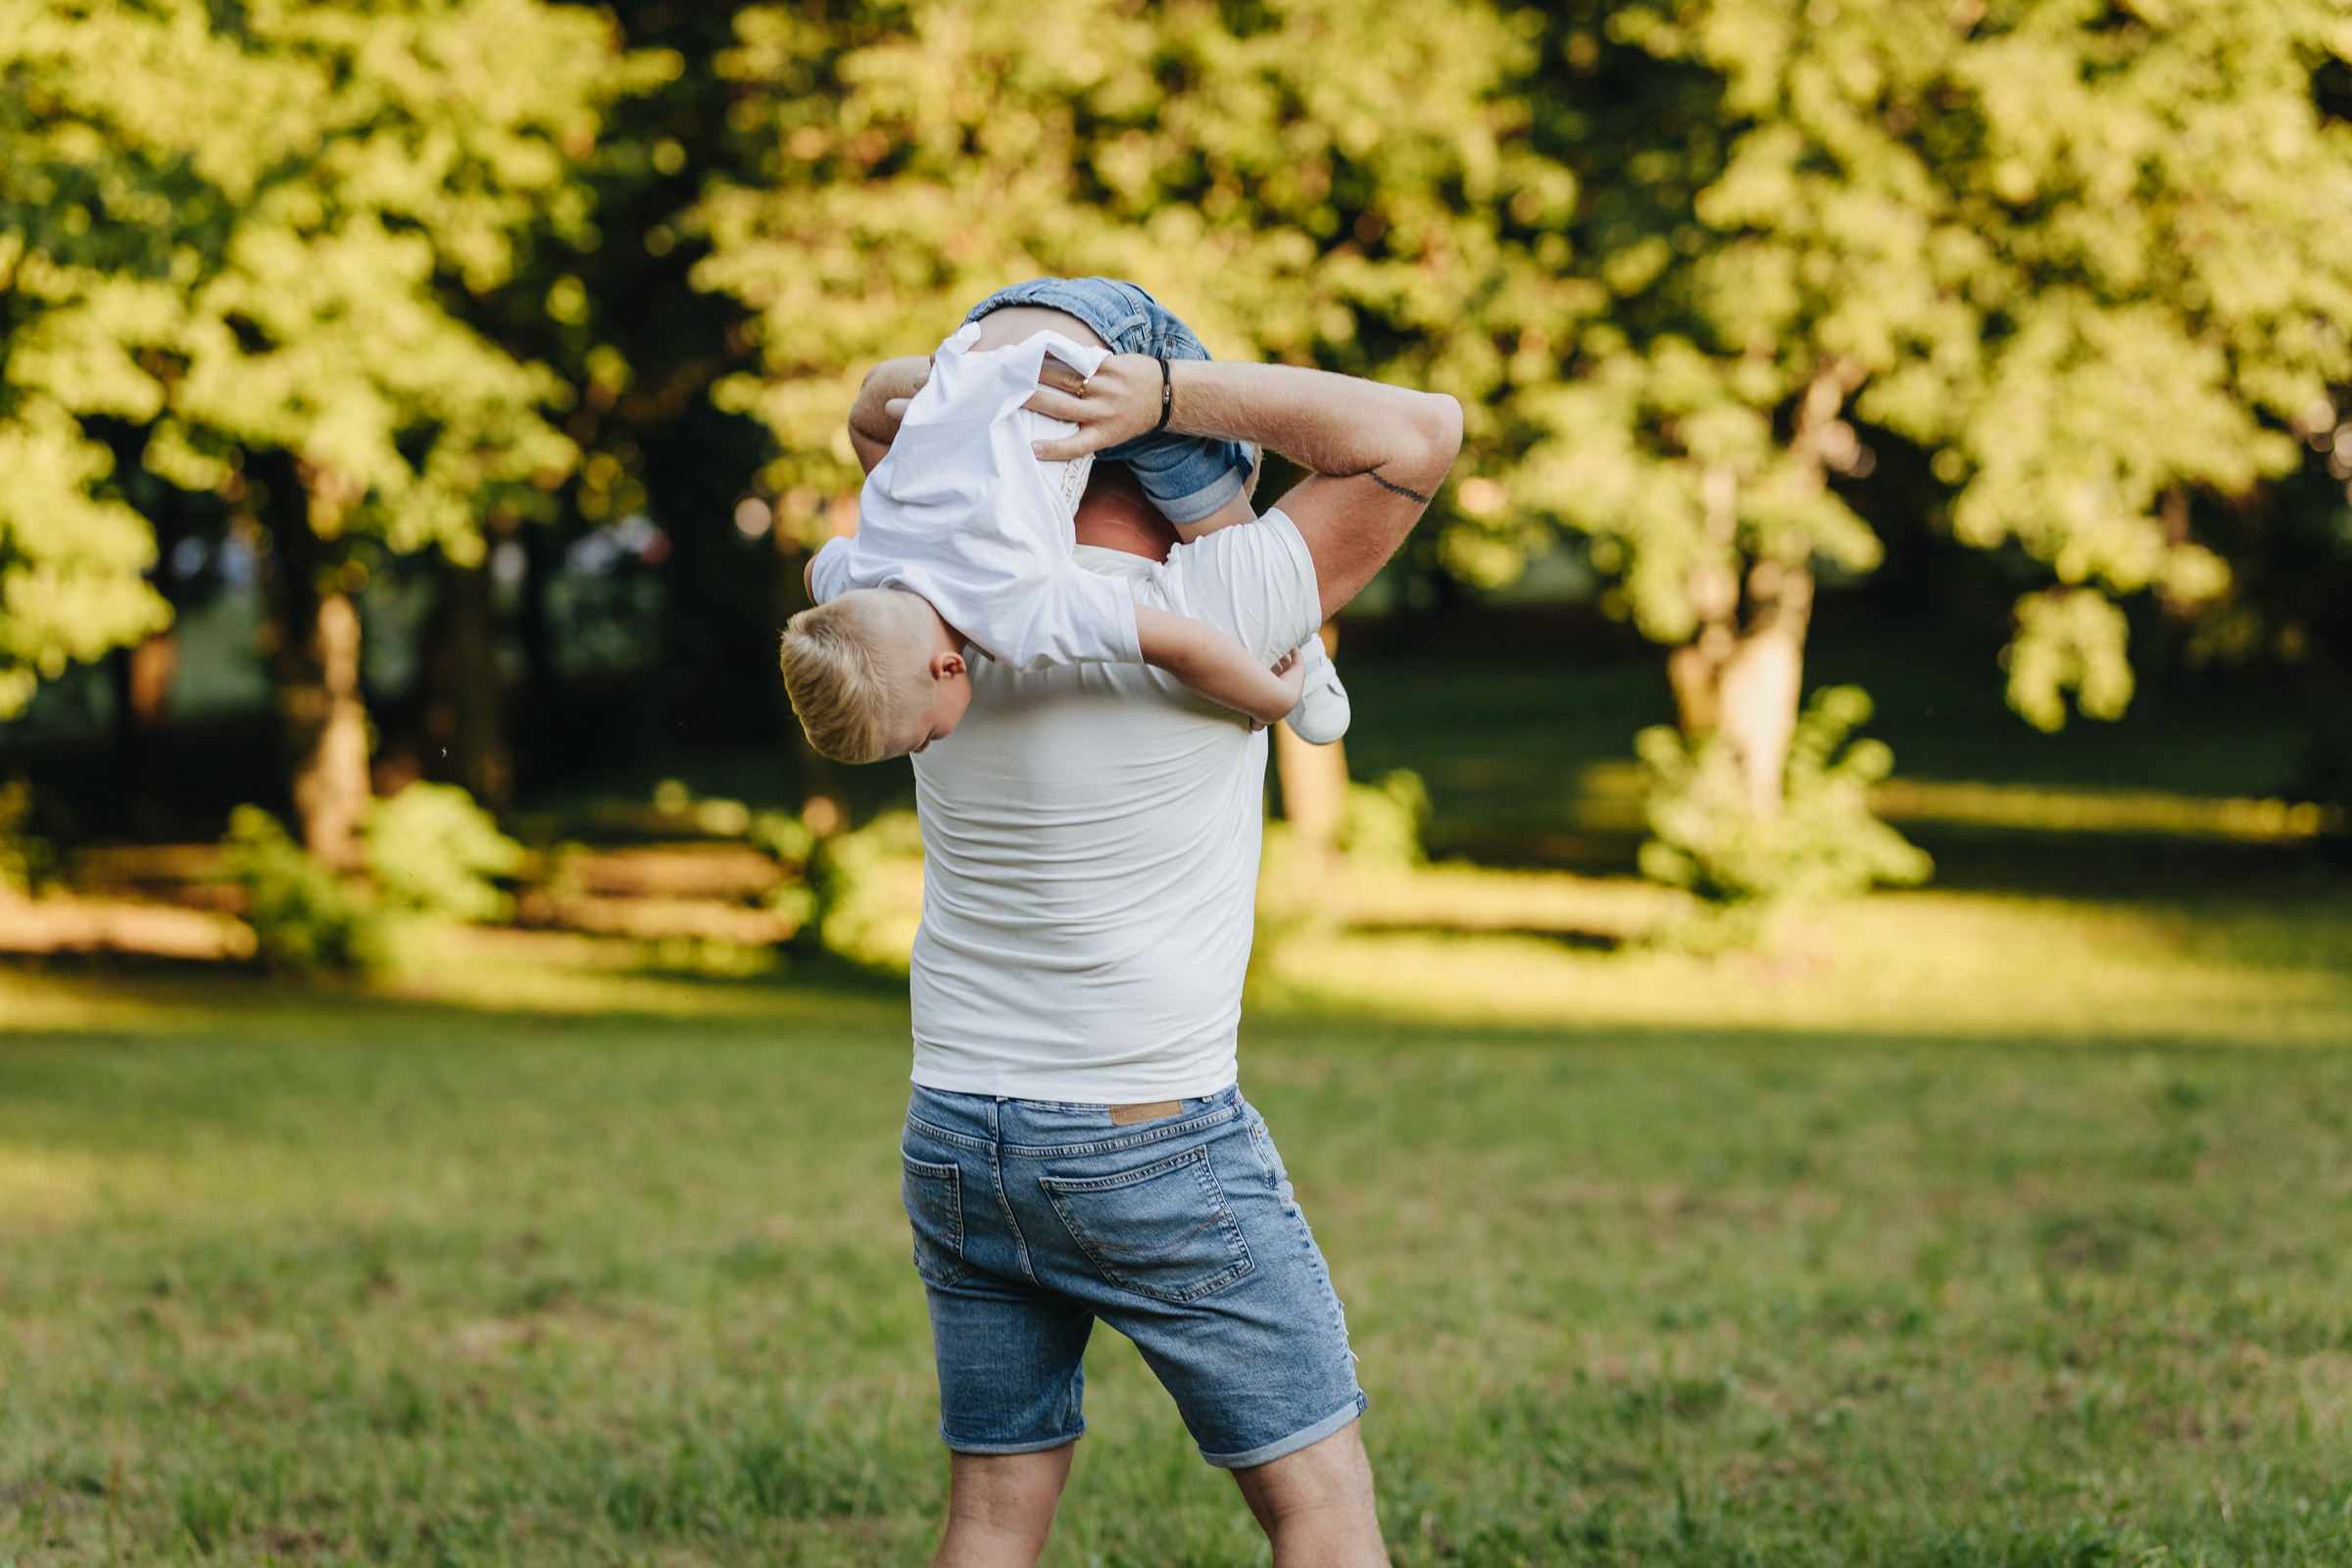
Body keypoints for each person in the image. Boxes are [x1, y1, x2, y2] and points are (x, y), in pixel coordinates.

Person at [844, 311, 1461, 1568]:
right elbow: (1420, 431)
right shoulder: (1218, 598)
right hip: (1145, 1139)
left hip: (958, 1132)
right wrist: (1167, 391)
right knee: (1320, 1506)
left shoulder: (927, 611)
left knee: (992, 1512)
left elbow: (873, 409)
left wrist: (1018, 384)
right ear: (1187, 484)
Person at [783, 279, 1348, 761]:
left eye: (924, 738)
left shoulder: (1017, 608)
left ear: (951, 668)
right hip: (997, 325)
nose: (931, 747)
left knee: (1233, 548)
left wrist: (1266, 700)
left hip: (1114, 361)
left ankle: (1298, 637)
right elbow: (816, 573)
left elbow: (1183, 647)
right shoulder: (859, 574)